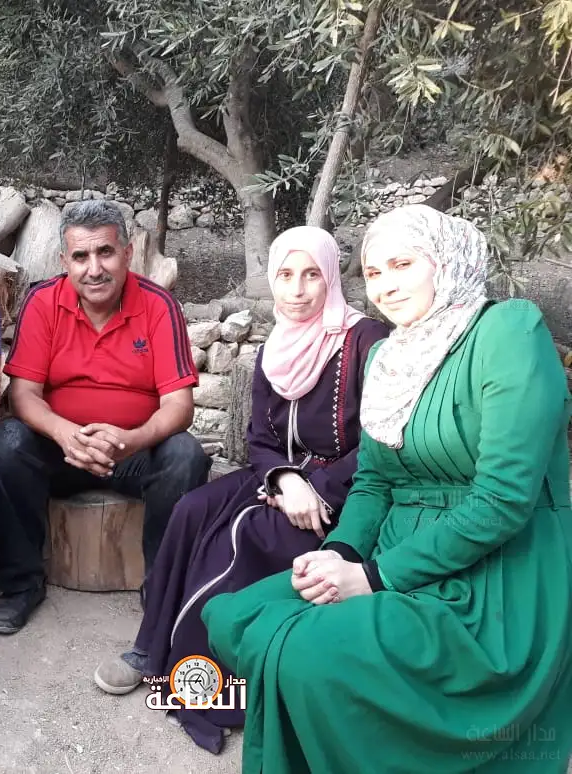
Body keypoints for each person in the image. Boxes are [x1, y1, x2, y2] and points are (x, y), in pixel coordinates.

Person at [202, 204, 572, 773]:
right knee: (234, 617)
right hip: (389, 548)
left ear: (446, 262)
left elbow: (502, 501)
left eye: (403, 265)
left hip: (495, 575)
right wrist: (339, 553)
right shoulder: (387, 354)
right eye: (374, 273)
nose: (386, 286)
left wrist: (374, 577)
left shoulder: (508, 332)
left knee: (304, 651)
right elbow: (374, 480)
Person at [92, 226, 390, 753]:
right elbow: (261, 440)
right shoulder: (278, 346)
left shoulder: (364, 340)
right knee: (192, 508)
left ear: (331, 279)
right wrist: (285, 479)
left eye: (311, 275)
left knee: (246, 534)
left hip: (343, 492)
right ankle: (150, 649)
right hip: (281, 480)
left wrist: (315, 488)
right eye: (285, 275)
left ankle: (209, 688)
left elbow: (379, 441)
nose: (297, 289)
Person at [0, 199, 211, 635]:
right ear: (63, 261)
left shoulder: (158, 305)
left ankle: (162, 590)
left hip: (134, 452)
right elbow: (23, 396)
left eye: (105, 252)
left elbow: (179, 407)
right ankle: (21, 584)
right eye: (81, 256)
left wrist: (132, 439)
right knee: (8, 441)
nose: (94, 269)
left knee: (186, 455)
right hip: (60, 451)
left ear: (127, 253)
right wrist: (66, 433)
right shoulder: (44, 301)